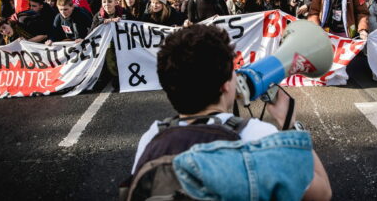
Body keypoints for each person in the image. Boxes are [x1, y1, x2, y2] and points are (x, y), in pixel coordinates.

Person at [130, 24, 332, 201]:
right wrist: (289, 125)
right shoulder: (256, 136)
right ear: (226, 86)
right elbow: (321, 192)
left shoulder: (152, 137)